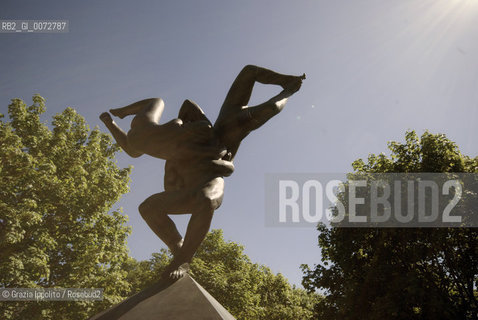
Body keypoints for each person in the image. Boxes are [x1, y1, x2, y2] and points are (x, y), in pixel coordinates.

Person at [100, 65, 304, 279]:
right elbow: (132, 149)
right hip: (188, 191)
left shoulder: (221, 134)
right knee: (148, 208)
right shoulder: (177, 148)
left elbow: (257, 86)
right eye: (188, 125)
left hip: (209, 185)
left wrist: (287, 89)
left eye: (199, 122)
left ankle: (183, 260)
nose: (198, 125)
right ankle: (179, 247)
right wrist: (111, 124)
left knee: (206, 200)